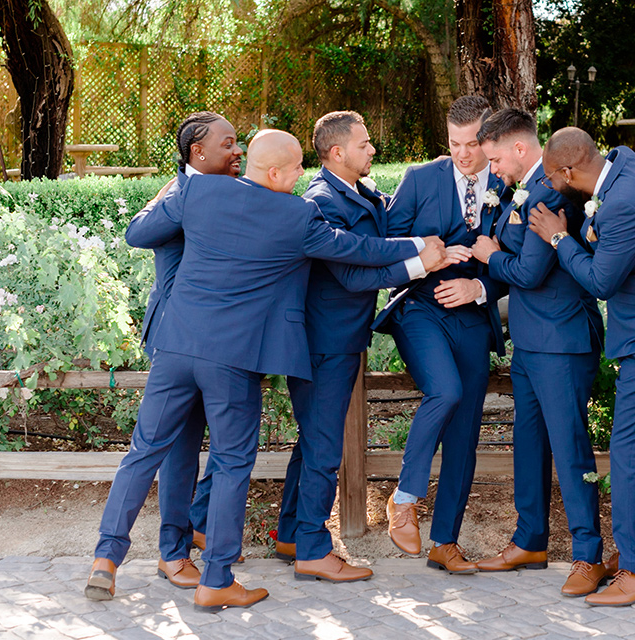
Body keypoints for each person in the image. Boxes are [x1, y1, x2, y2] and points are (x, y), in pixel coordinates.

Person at [85, 129, 442, 611]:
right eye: (296, 169)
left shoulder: (197, 189)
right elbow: (357, 251)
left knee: (143, 452)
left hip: (175, 348)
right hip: (232, 361)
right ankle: (216, 581)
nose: (303, 177)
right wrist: (421, 247)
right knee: (232, 464)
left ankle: (105, 560)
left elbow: (142, 231)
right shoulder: (296, 214)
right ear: (275, 173)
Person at [186, 111, 463, 582]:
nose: (372, 150)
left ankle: (291, 534)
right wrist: (421, 263)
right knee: (323, 447)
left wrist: (442, 175)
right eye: (364, 144)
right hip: (321, 341)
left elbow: (383, 229)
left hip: (339, 337)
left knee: (313, 442)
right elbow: (353, 272)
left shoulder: (358, 192)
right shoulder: (321, 201)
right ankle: (309, 548)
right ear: (337, 152)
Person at [530, 127, 635, 607]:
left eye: (551, 175)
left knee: (629, 460)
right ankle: (633, 554)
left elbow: (601, 280)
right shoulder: (625, 162)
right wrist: (589, 229)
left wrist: (560, 237)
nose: (549, 183)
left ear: (569, 171)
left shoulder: (622, 202)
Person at [469, 109, 610, 597]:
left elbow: (529, 272)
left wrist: (490, 256)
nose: (494, 171)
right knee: (527, 443)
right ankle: (530, 538)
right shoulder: (523, 190)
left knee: (570, 450)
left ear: (521, 150)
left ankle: (587, 555)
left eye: (496, 160)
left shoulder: (551, 193)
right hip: (530, 342)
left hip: (562, 342)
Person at [372, 95, 506, 574]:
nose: (463, 155)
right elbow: (384, 251)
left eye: (473, 144)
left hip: (472, 316)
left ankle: (444, 543)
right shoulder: (418, 179)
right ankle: (404, 499)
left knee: (466, 432)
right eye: (454, 143)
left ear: (489, 141)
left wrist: (479, 286)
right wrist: (427, 257)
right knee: (444, 390)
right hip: (420, 311)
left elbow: (520, 264)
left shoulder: (508, 187)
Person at [132, 111, 244, 591]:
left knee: (229, 446)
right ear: (198, 152)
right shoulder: (179, 192)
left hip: (223, 342)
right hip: (177, 339)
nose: (237, 150)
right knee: (178, 452)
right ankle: (172, 552)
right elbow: (136, 233)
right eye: (228, 143)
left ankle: (198, 528)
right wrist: (177, 193)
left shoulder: (239, 193)